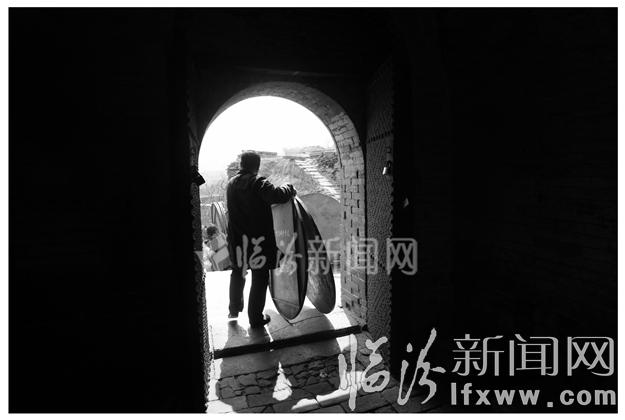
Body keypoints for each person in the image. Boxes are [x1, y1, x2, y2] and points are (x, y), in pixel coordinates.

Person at [226, 151, 296, 328]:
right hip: (258, 241)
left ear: (241, 165)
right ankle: (255, 318)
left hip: (237, 240)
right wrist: (288, 187)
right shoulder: (258, 182)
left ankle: (234, 309)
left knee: (237, 273)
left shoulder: (231, 184)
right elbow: (277, 196)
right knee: (260, 277)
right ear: (256, 166)